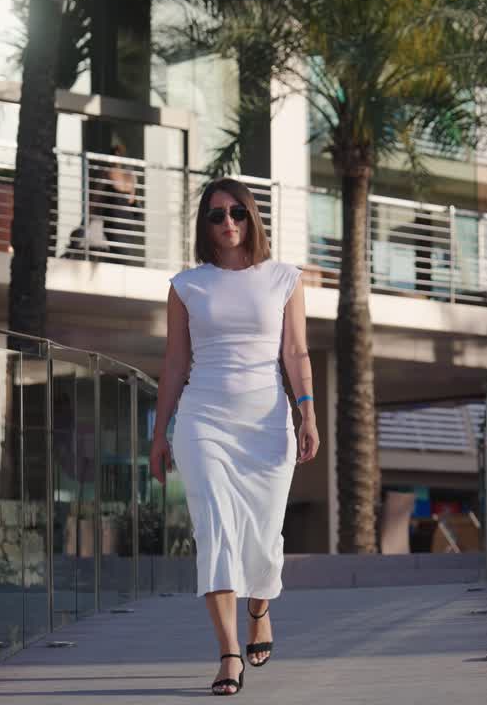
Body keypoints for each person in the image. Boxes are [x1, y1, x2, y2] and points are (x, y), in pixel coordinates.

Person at [148, 178, 319, 696]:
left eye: (237, 213)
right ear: (205, 224)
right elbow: (176, 362)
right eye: (217, 215)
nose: (228, 223)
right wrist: (160, 434)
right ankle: (227, 654)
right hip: (205, 422)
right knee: (216, 531)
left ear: (252, 218)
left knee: (264, 540)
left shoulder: (284, 278)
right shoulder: (187, 286)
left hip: (268, 422)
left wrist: (306, 412)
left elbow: (295, 353)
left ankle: (260, 607)